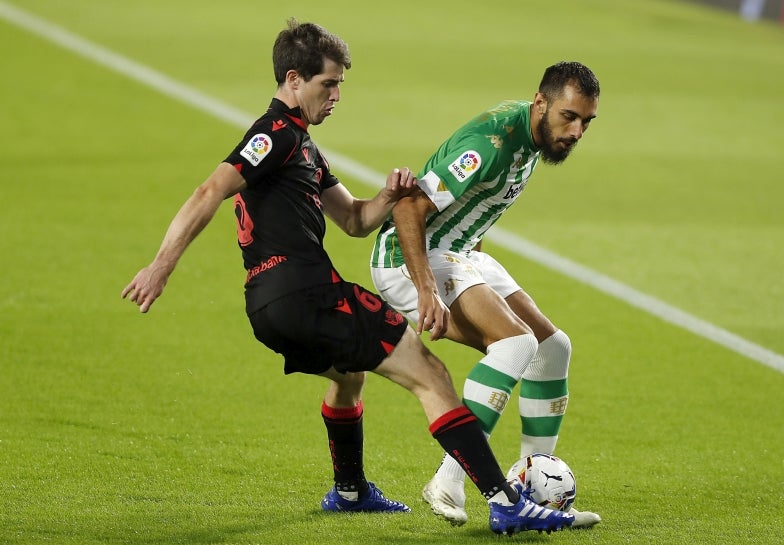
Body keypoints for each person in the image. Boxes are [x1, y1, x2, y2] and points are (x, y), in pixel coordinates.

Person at [121, 19, 574, 535]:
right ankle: (504, 500)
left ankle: (350, 490)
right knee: (432, 376)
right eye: (328, 84)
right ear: (294, 79)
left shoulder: (305, 147)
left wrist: (388, 195)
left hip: (267, 307)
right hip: (309, 294)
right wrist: (161, 264)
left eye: (340, 85)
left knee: (347, 376)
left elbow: (356, 221)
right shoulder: (274, 135)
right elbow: (209, 191)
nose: (336, 95)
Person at [370, 61, 602, 527]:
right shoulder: (490, 146)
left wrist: (476, 266)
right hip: (410, 257)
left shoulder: (536, 136)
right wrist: (427, 289)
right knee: (516, 345)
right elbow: (408, 208)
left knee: (553, 348)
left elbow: (476, 205)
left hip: (458, 250)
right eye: (569, 117)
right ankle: (449, 479)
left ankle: (531, 480)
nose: (576, 131)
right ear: (541, 103)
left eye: (586, 122)